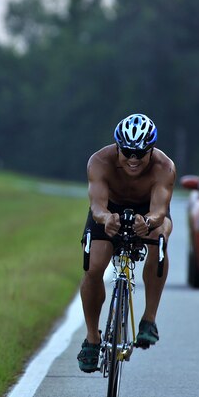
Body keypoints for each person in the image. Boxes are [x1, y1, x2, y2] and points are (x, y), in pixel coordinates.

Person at [76, 113, 176, 373]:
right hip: (110, 210)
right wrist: (106, 218)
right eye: (127, 152)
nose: (133, 159)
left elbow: (160, 211)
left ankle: (149, 320)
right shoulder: (99, 161)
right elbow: (96, 205)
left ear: (151, 150)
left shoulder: (164, 167)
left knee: (160, 237)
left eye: (140, 153)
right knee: (94, 267)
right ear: (118, 147)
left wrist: (149, 221)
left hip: (148, 210)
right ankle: (92, 338)